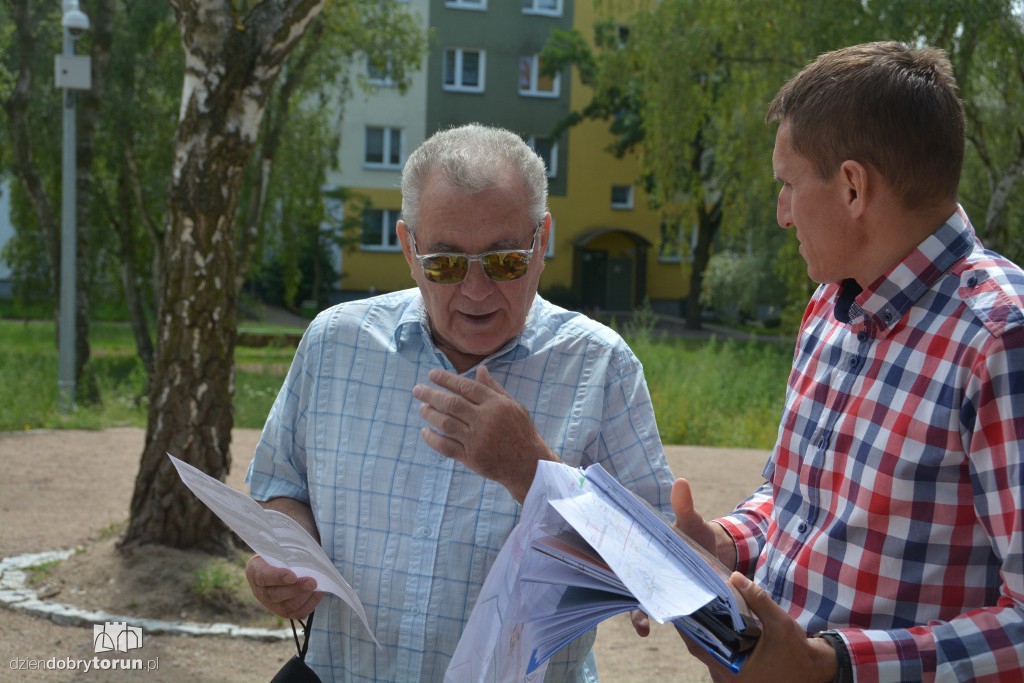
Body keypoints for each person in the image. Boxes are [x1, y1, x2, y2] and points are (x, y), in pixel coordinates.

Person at [244, 123, 676, 681]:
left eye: (504, 261)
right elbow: (282, 487)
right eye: (446, 263)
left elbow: (657, 566)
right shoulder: (336, 342)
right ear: (409, 247)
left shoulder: (600, 365)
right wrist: (287, 558)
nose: (474, 290)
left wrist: (530, 470)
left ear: (541, 241)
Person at [668, 41, 1024, 682]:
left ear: (853, 187)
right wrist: (724, 544)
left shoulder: (1002, 340)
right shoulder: (828, 307)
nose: (781, 212)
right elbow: (791, 498)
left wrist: (827, 666)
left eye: (787, 184)